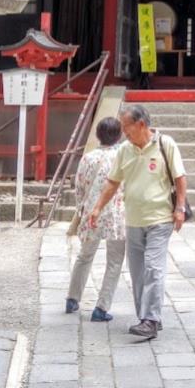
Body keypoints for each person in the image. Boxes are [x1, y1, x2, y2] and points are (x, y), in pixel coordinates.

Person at [86, 105, 187, 340]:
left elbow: (180, 178)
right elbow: (112, 182)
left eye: (126, 127)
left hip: (160, 218)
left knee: (153, 267)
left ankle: (150, 320)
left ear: (141, 124)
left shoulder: (165, 144)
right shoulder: (124, 151)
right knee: (138, 272)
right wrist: (98, 207)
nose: (123, 132)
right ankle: (148, 316)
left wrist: (180, 208)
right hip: (132, 219)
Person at [66, 118, 129, 321]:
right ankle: (101, 308)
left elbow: (80, 186)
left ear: (98, 135)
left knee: (85, 256)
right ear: (119, 135)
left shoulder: (88, 158)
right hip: (116, 214)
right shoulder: (123, 157)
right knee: (114, 261)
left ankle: (72, 298)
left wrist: (82, 208)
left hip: (92, 212)